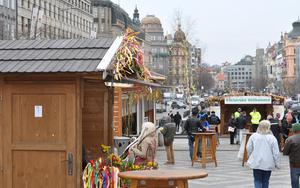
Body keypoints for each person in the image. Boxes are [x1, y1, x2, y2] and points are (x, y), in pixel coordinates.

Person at [247, 120, 280, 188]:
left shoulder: (254, 136)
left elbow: (248, 148)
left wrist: (251, 156)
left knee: (257, 180)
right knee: (265, 180)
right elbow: (276, 152)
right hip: (268, 162)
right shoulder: (272, 138)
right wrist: (277, 163)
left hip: (256, 161)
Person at [283, 123, 300, 188]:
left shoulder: (290, 139)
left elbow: (285, 152)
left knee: (295, 184)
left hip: (294, 165)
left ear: (293, 130)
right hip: (294, 165)